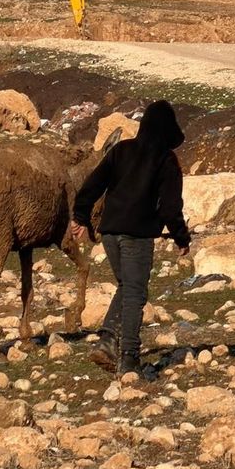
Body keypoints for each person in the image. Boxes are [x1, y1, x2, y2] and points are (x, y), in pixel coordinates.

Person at [71, 100, 191, 375]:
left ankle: (107, 341)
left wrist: (80, 216)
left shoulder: (122, 150)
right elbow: (171, 207)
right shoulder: (166, 160)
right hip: (137, 236)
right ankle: (129, 358)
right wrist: (181, 238)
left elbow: (93, 184)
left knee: (127, 286)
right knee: (136, 292)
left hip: (110, 234)